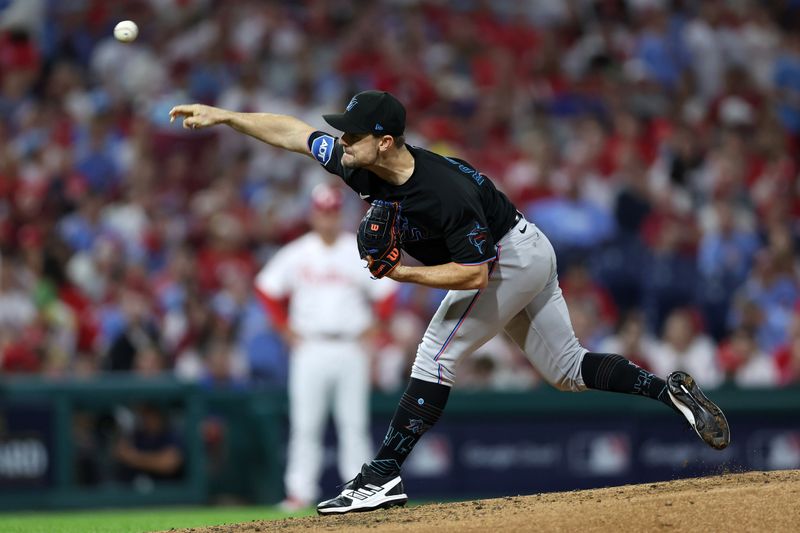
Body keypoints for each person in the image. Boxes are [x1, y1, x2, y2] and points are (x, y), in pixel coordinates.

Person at [169, 90, 731, 515]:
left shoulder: (439, 191)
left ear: (384, 141)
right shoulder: (356, 159)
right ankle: (669, 390)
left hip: (507, 256)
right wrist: (225, 117)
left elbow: (473, 275)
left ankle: (381, 475)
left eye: (351, 136)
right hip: (525, 247)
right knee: (565, 369)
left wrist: (400, 274)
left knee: (433, 354)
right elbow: (292, 133)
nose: (339, 142)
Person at [253, 183, 397, 510]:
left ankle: (359, 492)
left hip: (350, 346)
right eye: (322, 213)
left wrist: (377, 327)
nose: (328, 219)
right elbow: (265, 288)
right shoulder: (298, 252)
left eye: (333, 212)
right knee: (306, 424)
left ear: (340, 215)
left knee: (354, 424)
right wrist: (283, 328)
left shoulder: (356, 249)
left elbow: (387, 292)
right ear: (313, 215)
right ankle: (299, 492)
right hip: (311, 346)